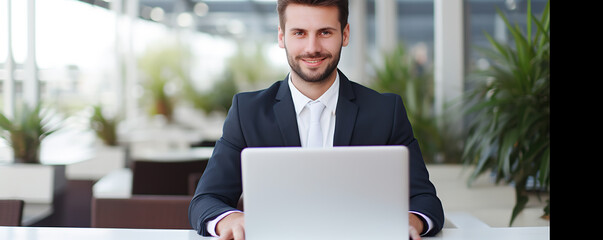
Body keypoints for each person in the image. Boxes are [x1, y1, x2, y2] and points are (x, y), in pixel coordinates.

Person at [188, 0, 444, 239]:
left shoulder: (385, 111)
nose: (312, 48)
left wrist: (411, 220)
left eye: (325, 32)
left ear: (345, 34)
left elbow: (425, 200)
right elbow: (206, 200)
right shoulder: (248, 112)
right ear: (281, 36)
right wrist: (230, 219)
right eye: (299, 33)